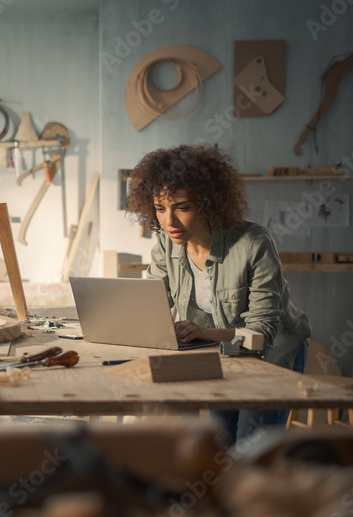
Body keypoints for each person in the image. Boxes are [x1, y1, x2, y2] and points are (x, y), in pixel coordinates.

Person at [126, 144, 311, 444]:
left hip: (272, 356)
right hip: (222, 354)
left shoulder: (253, 243)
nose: (169, 221)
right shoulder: (166, 246)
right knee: (221, 446)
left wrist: (204, 333)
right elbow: (153, 306)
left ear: (208, 203)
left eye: (182, 207)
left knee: (251, 450)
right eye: (160, 209)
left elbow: (262, 333)